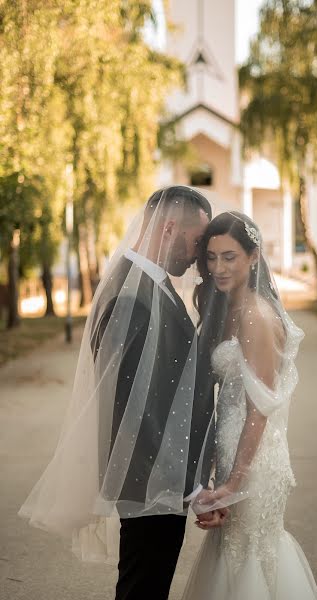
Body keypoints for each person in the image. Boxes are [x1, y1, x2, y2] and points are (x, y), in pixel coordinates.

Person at [19, 186, 226, 600]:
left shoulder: (148, 284)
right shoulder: (132, 296)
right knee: (141, 589)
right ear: (169, 229)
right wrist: (189, 486)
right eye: (197, 240)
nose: (199, 253)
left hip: (160, 481)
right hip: (153, 482)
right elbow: (133, 410)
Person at [183, 211, 317, 600]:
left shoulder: (255, 316)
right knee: (233, 554)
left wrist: (232, 483)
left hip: (255, 460)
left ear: (253, 256)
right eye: (210, 257)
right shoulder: (228, 308)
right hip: (233, 449)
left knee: (253, 555)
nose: (218, 267)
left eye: (229, 256)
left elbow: (259, 408)